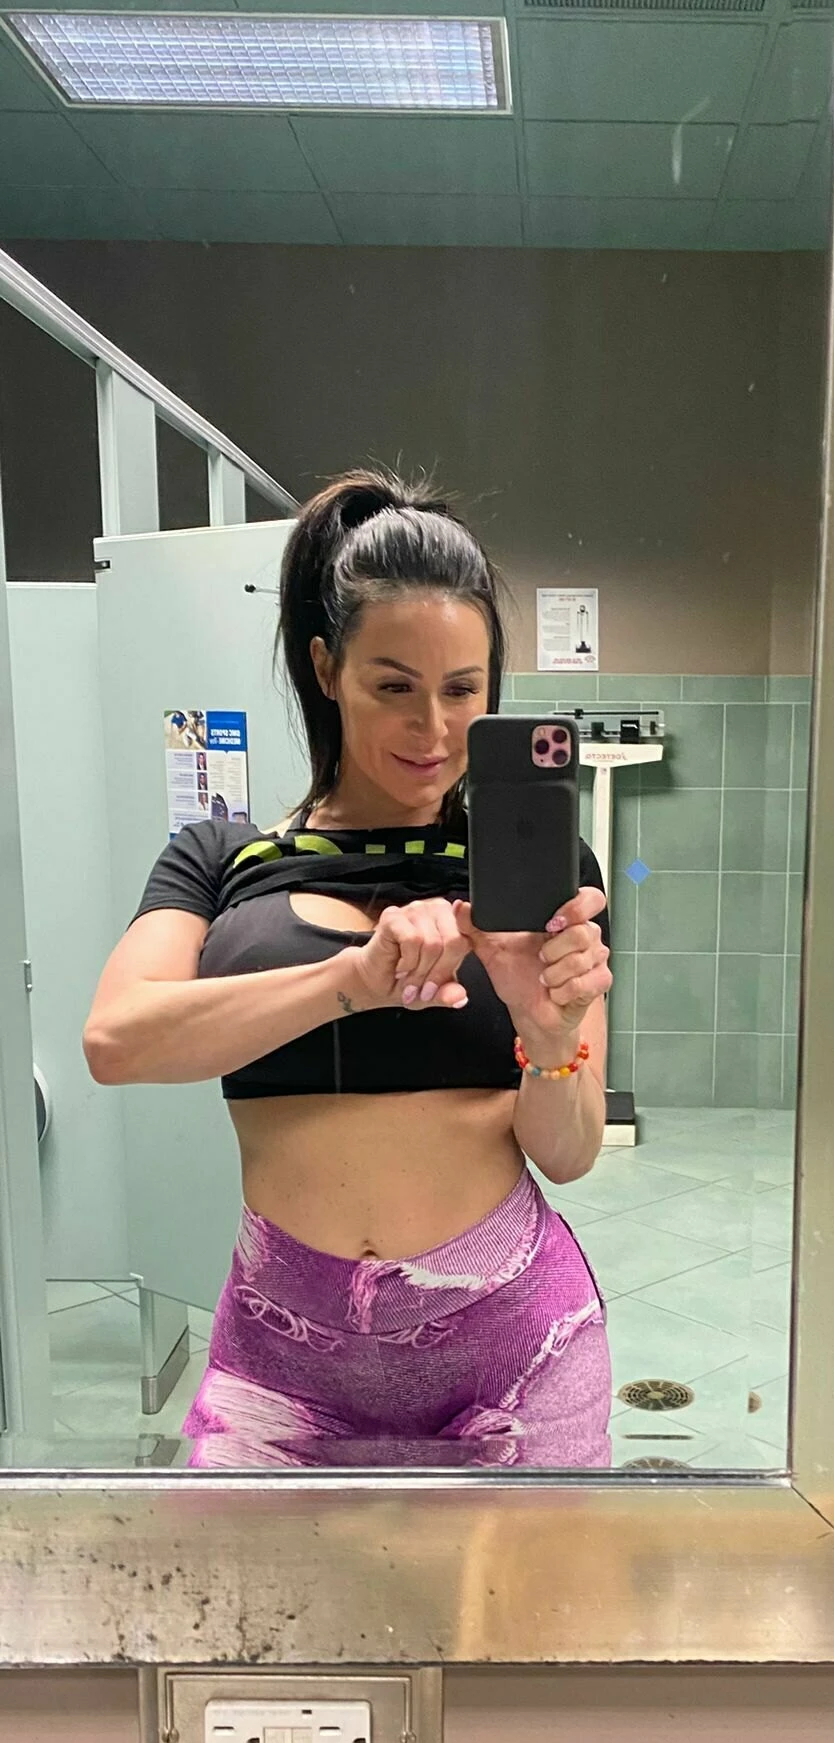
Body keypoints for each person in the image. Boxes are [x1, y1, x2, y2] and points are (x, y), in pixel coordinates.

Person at [84, 470, 614, 1468]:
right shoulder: (221, 858)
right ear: (327, 668)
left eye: (462, 690)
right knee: (236, 1576)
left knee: (527, 1585)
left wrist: (548, 1037)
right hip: (280, 1365)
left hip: (516, 1353)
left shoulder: (541, 877)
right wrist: (352, 983)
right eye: (394, 687)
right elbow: (116, 1042)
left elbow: (571, 1151)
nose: (433, 730)